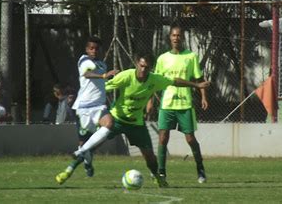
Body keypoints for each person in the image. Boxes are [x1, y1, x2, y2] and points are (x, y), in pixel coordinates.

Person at [55, 52, 210, 187]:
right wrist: (85, 96)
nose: (143, 70)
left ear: (151, 68)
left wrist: (196, 85)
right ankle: (67, 171)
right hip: (116, 119)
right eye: (141, 66)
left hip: (136, 124)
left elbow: (175, 81)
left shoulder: (155, 79)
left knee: (149, 156)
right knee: (91, 147)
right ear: (137, 64)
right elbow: (105, 86)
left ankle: (157, 177)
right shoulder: (126, 76)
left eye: (147, 67)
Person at [150, 25, 209, 185]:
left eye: (179, 35)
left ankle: (200, 168)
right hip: (167, 104)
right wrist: (150, 101)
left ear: (182, 38)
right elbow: (154, 82)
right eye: (174, 35)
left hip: (185, 104)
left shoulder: (190, 56)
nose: (176, 38)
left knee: (190, 139)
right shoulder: (162, 58)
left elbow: (199, 79)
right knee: (163, 137)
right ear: (170, 37)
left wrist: (203, 96)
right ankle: (161, 172)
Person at [69, 36, 119, 177]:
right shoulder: (84, 60)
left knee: (109, 123)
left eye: (97, 48)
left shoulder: (102, 64)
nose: (94, 51)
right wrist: (104, 76)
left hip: (99, 107)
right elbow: (87, 74)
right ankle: (88, 163)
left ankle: (81, 152)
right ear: (86, 49)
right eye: (91, 48)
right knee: (83, 143)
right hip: (83, 108)